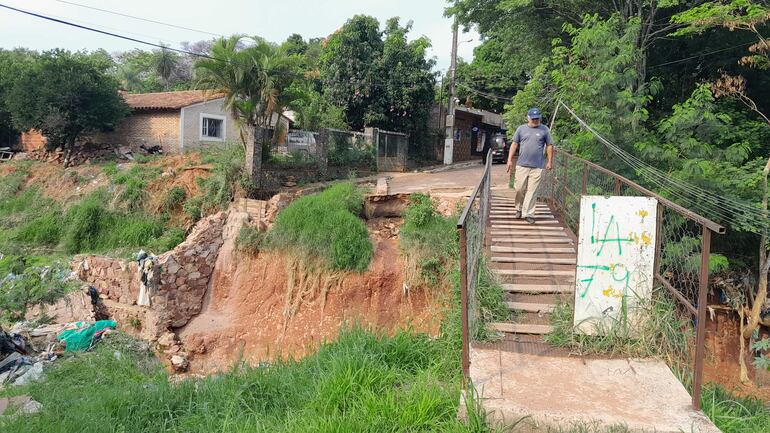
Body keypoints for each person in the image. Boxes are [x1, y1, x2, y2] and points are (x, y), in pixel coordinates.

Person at [506, 108, 554, 224]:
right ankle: (519, 208)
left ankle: (529, 213)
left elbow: (549, 145)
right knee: (519, 189)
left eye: (537, 118)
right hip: (522, 165)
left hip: (537, 166)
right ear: (528, 118)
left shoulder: (544, 130)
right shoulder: (521, 129)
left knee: (532, 191)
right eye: (533, 119)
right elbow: (514, 144)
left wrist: (549, 161)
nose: (535, 120)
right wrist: (509, 160)